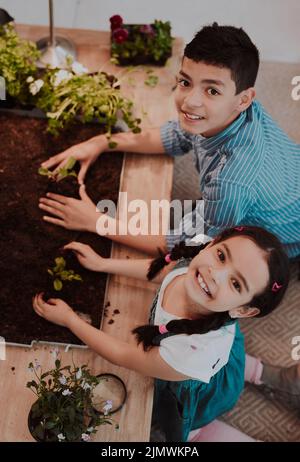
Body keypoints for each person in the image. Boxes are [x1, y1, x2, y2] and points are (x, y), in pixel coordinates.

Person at [38, 23, 300, 259]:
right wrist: (101, 142)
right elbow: (175, 136)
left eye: (211, 90)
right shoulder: (235, 109)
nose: (189, 101)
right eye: (185, 82)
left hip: (286, 233)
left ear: (244, 99)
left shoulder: (229, 184)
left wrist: (98, 222)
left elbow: (192, 245)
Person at [32, 226, 290, 441]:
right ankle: (258, 372)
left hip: (195, 390)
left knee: (186, 426)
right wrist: (102, 264)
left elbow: (124, 354)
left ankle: (201, 432)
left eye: (236, 283)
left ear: (243, 310)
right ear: (213, 243)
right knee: (227, 363)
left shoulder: (189, 353)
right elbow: (163, 270)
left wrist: (69, 320)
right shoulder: (197, 262)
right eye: (222, 256)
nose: (215, 274)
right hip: (218, 357)